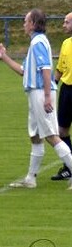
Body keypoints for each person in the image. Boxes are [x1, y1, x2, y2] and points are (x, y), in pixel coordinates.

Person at [0, 9, 72, 190]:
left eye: (26, 21)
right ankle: (30, 178)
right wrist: (4, 56)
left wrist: (47, 96)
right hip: (34, 93)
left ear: (33, 24)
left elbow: (46, 69)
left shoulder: (38, 43)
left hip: (40, 92)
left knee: (51, 136)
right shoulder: (36, 43)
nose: (24, 24)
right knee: (35, 136)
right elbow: (24, 71)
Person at [51, 11, 72, 181]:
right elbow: (60, 68)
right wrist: (52, 87)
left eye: (67, 22)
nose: (63, 25)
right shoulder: (66, 43)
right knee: (62, 129)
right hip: (67, 90)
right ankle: (68, 167)